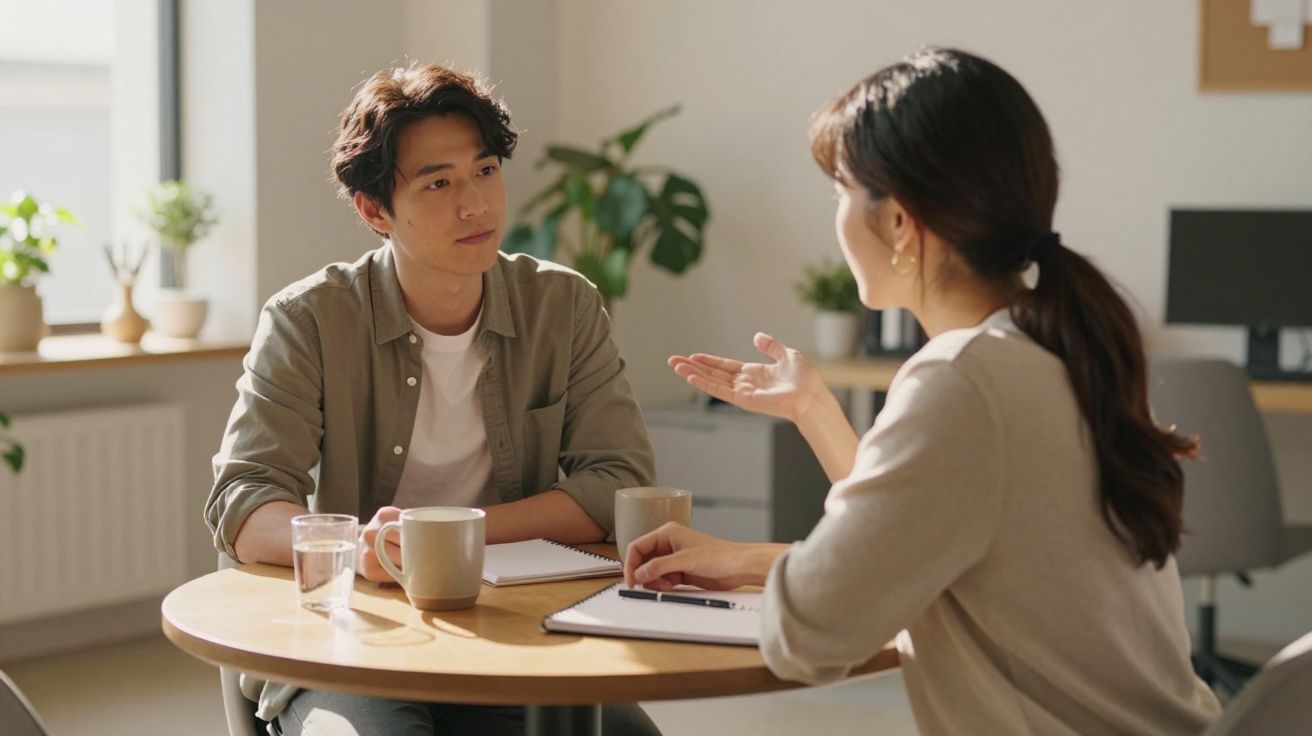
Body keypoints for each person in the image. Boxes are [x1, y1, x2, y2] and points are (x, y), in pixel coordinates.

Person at [623, 47, 1221, 736]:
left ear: (900, 224)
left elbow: (810, 633)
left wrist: (762, 566)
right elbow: (932, 534)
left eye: (841, 190)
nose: (836, 216)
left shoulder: (961, 379)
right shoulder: (1055, 348)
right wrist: (812, 409)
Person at [204, 62, 660, 736]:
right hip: (351, 642)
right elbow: (244, 501)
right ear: (373, 210)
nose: (475, 205)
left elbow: (619, 483)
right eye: (438, 182)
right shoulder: (307, 319)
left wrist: (444, 535)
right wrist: (365, 547)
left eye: (484, 171)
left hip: (515, 631)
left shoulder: (562, 306)